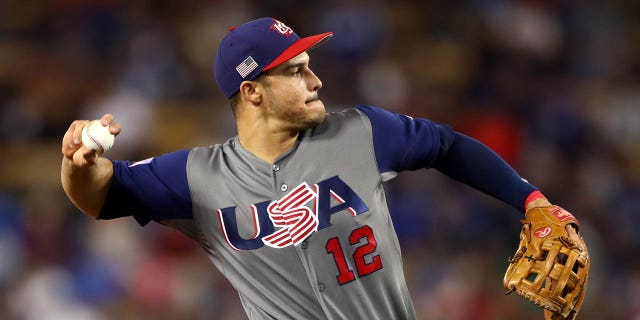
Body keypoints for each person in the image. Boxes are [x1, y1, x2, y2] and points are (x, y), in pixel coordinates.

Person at [61, 17, 582, 319]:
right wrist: (77, 163)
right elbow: (101, 194)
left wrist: (531, 200)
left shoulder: (360, 131)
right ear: (252, 92)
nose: (316, 82)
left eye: (310, 67)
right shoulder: (197, 176)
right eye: (296, 71)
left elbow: (447, 146)